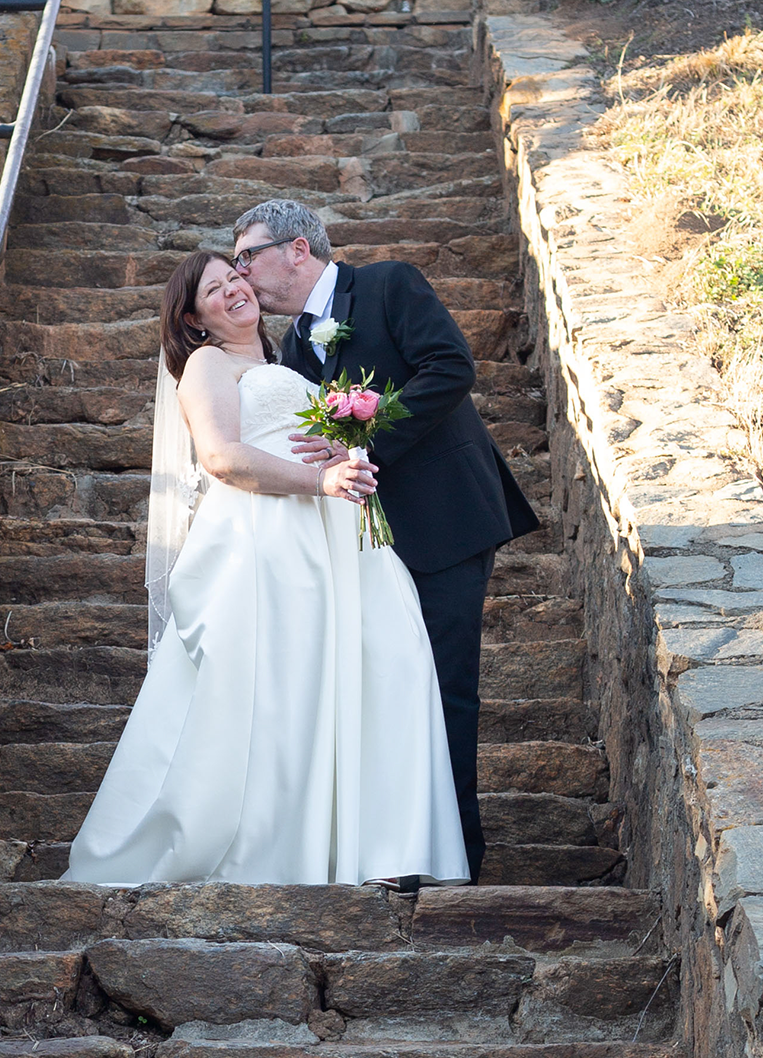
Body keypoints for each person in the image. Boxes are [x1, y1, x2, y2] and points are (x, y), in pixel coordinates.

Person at [61, 248, 469, 888]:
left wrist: (348, 452)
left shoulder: (289, 363)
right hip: (269, 534)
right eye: (214, 291)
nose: (233, 291)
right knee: (283, 691)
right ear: (195, 320)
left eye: (235, 278)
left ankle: (374, 849)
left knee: (382, 664)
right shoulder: (207, 365)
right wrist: (320, 479)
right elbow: (222, 457)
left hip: (338, 531)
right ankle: (275, 850)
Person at [233, 198, 540, 883]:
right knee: (386, 688)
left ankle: (460, 854)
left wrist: (364, 435)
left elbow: (450, 368)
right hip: (363, 544)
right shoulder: (289, 347)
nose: (241, 270)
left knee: (445, 683)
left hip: (444, 519)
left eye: (248, 254)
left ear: (298, 250)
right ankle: (396, 843)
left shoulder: (387, 285)